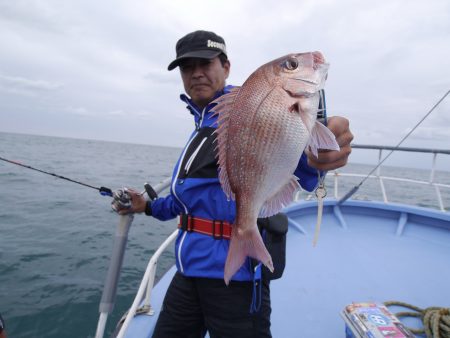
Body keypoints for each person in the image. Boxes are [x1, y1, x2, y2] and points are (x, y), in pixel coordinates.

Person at [118, 30, 353, 338]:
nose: (197, 73)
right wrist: (147, 206)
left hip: (237, 280)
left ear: (226, 67)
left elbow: (306, 169)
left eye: (205, 63)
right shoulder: (200, 125)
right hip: (187, 270)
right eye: (188, 67)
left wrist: (324, 152)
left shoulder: (249, 112)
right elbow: (185, 199)